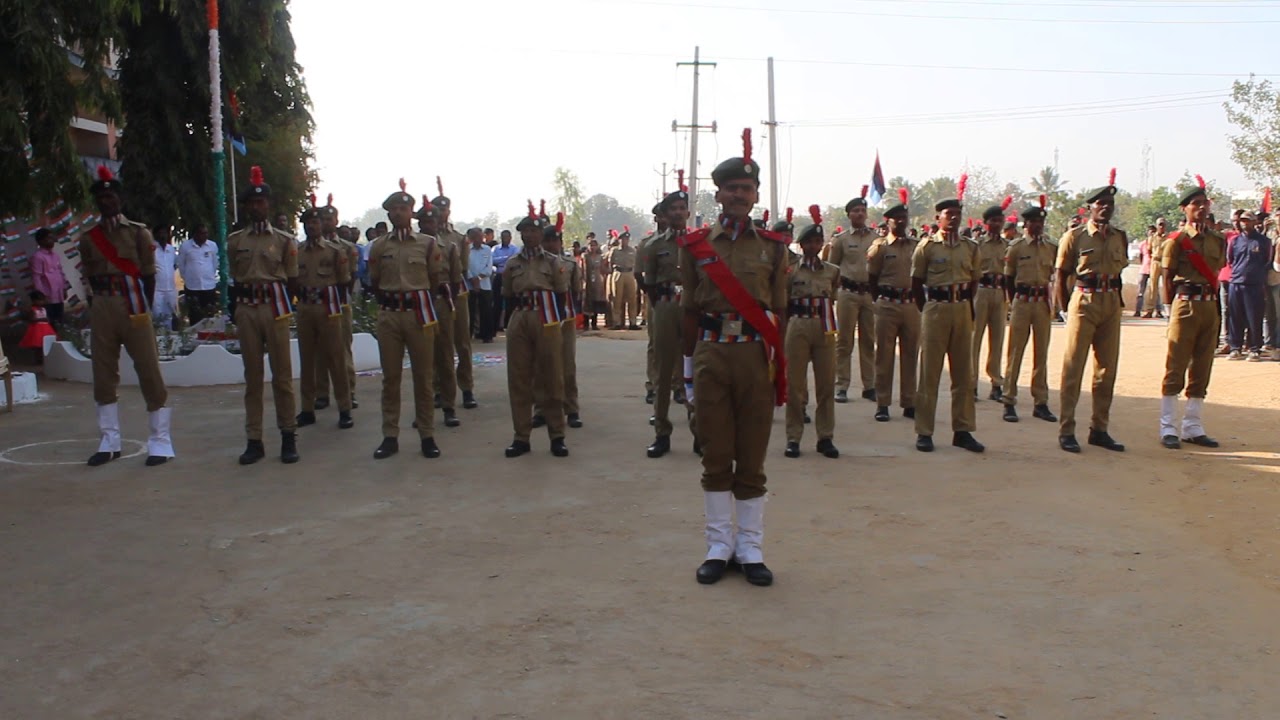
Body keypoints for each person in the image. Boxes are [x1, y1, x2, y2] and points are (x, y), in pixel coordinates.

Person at [680, 129, 788, 587]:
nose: (739, 195)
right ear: (718, 193)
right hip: (711, 356)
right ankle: (718, 545)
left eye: (746, 189)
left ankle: (751, 547)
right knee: (716, 452)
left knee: (753, 454)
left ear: (756, 194)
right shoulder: (697, 246)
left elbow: (779, 310)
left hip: (753, 357)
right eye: (731, 188)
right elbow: (688, 310)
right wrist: (687, 374)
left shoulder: (774, 247)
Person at [77, 166, 174, 467]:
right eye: (102, 197)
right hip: (104, 304)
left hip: (133, 303)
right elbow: (89, 276)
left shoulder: (138, 232)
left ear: (120, 198)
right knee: (103, 373)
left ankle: (160, 441)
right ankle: (109, 441)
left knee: (148, 369)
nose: (107, 201)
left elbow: (148, 274)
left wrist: (144, 306)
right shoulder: (89, 238)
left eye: (111, 195)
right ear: (97, 202)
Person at [367, 180, 447, 460]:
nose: (399, 213)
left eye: (404, 208)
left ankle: (427, 434)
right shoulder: (378, 246)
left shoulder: (427, 244)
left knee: (423, 377)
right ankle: (390, 436)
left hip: (418, 314)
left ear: (412, 213)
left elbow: (434, 280)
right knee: (391, 378)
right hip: (390, 315)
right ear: (388, 215)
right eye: (394, 209)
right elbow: (375, 282)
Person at [226, 167, 299, 465]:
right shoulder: (235, 241)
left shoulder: (284, 241)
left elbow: (292, 280)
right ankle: (254, 440)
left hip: (275, 309)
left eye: (261, 202)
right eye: (252, 203)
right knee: (252, 378)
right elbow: (234, 276)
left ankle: (288, 436)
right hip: (247, 309)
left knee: (282, 377)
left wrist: (285, 307)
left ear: (268, 204)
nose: (257, 207)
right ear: (246, 207)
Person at [1055, 169, 1127, 454]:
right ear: (1090, 208)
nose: (1105, 208)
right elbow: (1061, 275)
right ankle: (1066, 429)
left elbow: (1120, 273)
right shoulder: (1075, 237)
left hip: (1111, 302)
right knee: (1074, 367)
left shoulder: (1119, 236)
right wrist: (1062, 310)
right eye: (1100, 204)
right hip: (1084, 302)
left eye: (1109, 205)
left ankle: (1100, 429)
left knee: (1106, 370)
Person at [910, 177, 984, 454]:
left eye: (957, 214)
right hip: (936, 309)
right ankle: (924, 431)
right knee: (929, 372)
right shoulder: (927, 247)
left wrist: (966, 304)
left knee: (964, 373)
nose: (953, 219)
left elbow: (975, 279)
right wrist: (928, 309)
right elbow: (916, 284)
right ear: (937, 218)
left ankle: (963, 430)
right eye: (948, 215)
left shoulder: (971, 247)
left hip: (962, 308)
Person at [1159, 179, 1227, 449]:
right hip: (1185, 304)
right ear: (1184, 209)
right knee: (1176, 365)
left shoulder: (1218, 240)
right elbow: (1166, 277)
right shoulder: (1175, 242)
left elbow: (1217, 273)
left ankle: (1193, 425)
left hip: (1209, 305)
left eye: (1204, 203)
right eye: (1195, 204)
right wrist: (1167, 309)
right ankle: (1168, 427)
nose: (1201, 208)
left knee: (1203, 364)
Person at [502, 202, 570, 458]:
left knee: (552, 375)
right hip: (520, 316)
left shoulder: (554, 262)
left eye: (534, 231)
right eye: (525, 231)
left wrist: (557, 323)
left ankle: (557, 436)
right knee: (519, 378)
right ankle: (521, 437)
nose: (529, 235)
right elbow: (507, 295)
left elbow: (562, 295)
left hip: (546, 316)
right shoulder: (512, 264)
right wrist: (510, 323)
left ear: (542, 234)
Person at [783, 206, 840, 460]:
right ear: (802, 244)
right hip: (798, 324)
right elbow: (782, 301)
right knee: (795, 384)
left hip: (824, 326)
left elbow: (834, 294)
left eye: (818, 241)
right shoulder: (791, 270)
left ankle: (825, 437)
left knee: (826, 383)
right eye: (809, 242)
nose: (814, 246)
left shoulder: (831, 270)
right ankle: (793, 437)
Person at [293, 196, 354, 431]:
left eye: (316, 223)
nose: (312, 226)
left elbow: (344, 281)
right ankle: (307, 408)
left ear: (323, 225)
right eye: (308, 223)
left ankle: (345, 408)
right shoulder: (296, 252)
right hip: (306, 307)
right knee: (307, 360)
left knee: (336, 359)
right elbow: (293, 280)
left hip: (329, 307)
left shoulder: (335, 251)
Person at [999, 196, 1058, 423]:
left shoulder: (1050, 247)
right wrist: (1013, 303)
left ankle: (1040, 402)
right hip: (1022, 301)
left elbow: (1054, 274)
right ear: (1026, 224)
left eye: (1041, 222)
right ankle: (1009, 400)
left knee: (1041, 354)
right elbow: (1008, 278)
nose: (1038, 226)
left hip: (1042, 302)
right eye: (1034, 222)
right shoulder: (1016, 248)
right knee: (1015, 353)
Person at [645, 177, 691, 458]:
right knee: (663, 371)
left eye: (681, 207)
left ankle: (698, 429)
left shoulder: (699, 242)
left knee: (692, 369)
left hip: (691, 309)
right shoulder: (654, 246)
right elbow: (649, 284)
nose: (677, 212)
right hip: (664, 306)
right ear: (665, 213)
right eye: (672, 208)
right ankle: (662, 432)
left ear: (687, 211)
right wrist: (662, 307)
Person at [866, 189, 920, 422]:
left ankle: (909, 402)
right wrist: (879, 300)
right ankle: (883, 403)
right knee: (884, 355)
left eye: (904, 218)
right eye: (896, 218)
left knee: (910, 354)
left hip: (910, 305)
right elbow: (872, 278)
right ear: (887, 222)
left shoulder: (917, 245)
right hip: (887, 304)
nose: (901, 221)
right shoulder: (880, 247)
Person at [532, 216, 583, 430]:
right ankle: (542, 410)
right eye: (547, 240)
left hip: (565, 318)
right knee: (541, 364)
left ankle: (571, 409)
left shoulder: (570, 264)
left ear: (561, 242)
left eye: (555, 240)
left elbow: (577, 290)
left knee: (567, 364)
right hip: (543, 318)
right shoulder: (535, 264)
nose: (551, 244)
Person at [416, 199, 463, 428]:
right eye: (423, 221)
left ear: (438, 222)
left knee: (445, 355)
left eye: (431, 220)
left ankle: (449, 407)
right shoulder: (411, 246)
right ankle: (423, 411)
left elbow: (456, 280)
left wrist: (447, 303)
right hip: (417, 303)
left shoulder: (450, 247)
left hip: (441, 303)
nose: (427, 224)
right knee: (422, 359)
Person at [830, 187, 878, 404]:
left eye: (862, 210)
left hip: (869, 294)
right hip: (847, 294)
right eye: (855, 210)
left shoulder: (877, 239)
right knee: (844, 341)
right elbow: (832, 268)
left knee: (868, 340)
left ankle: (869, 386)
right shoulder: (840, 240)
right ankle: (841, 385)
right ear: (848, 215)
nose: (859, 213)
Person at [433, 180, 477, 411]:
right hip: (434, 295)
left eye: (444, 209)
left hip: (456, 294)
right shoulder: (424, 237)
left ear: (449, 211)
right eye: (437, 209)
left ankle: (467, 388)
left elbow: (462, 267)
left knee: (462, 342)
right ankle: (439, 389)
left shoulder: (459, 239)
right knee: (438, 344)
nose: (441, 213)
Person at [972, 198, 1012, 401]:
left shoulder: (1008, 246)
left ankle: (996, 382)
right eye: (993, 221)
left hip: (999, 292)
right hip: (981, 290)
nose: (997, 224)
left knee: (997, 340)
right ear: (986, 223)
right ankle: (971, 383)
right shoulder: (977, 245)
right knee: (974, 339)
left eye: (1000, 220)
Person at [1226, 210, 1271, 361]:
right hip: (1236, 283)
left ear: (1254, 222)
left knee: (1254, 317)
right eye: (1243, 220)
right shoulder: (1235, 241)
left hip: (1254, 284)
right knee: (1235, 317)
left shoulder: (1263, 241)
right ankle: (1235, 347)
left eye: (1248, 220)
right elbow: (1230, 259)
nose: (1245, 223)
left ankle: (1254, 348)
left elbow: (1267, 261)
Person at [177, 223, 220, 325]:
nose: (204, 236)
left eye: (206, 233)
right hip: (192, 287)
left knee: (210, 315)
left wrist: (208, 275)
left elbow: (215, 263)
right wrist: (187, 278)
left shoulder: (212, 246)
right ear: (195, 234)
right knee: (195, 315)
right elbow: (181, 265)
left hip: (209, 286)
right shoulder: (185, 246)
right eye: (202, 233)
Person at [30, 228, 66, 327]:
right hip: (47, 297)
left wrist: (64, 288)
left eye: (52, 237)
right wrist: (41, 296)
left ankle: (60, 340)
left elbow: (60, 272)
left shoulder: (56, 255)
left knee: (60, 321)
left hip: (58, 294)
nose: (52, 240)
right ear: (41, 241)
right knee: (50, 323)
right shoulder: (37, 257)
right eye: (49, 238)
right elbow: (36, 277)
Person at [466, 227, 495, 342]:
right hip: (470, 284)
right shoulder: (467, 249)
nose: (479, 239)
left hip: (485, 284)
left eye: (480, 236)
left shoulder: (487, 249)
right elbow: (465, 266)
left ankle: (486, 335)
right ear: (471, 238)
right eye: (476, 237)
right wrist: (472, 279)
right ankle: (468, 334)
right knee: (470, 310)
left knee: (486, 310)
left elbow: (489, 267)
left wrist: (479, 278)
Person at [608, 228, 638, 329]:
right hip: (618, 273)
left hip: (629, 273)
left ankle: (632, 322)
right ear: (619, 240)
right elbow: (610, 263)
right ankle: (617, 322)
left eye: (627, 239)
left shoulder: (632, 250)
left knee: (632, 299)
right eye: (623, 239)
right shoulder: (614, 251)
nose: (625, 241)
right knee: (617, 298)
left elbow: (636, 263)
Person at [150, 224, 179, 330]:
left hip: (170, 289)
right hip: (157, 289)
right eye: (160, 233)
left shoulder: (171, 250)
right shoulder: (151, 249)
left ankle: (169, 339)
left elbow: (175, 265)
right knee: (157, 315)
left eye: (165, 233)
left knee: (170, 316)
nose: (163, 235)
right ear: (155, 235)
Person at [492, 229, 519, 332]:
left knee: (510, 302)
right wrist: (506, 258)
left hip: (511, 277)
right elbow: (493, 260)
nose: (505, 239)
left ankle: (508, 325)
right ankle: (495, 327)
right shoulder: (495, 249)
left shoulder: (515, 248)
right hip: (498, 276)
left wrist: (501, 260)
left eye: (507, 237)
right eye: (503, 237)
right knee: (496, 302)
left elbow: (513, 261)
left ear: (510, 238)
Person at [19, 291, 57, 360]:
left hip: (46, 329)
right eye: (39, 300)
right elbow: (31, 320)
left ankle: (46, 358)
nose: (42, 302)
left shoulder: (44, 309)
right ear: (34, 301)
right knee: (38, 346)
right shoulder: (32, 310)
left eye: (42, 300)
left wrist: (47, 320)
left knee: (47, 343)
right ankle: (38, 359)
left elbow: (47, 318)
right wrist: (42, 319)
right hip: (37, 330)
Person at [1143, 217, 1168, 318]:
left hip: (1166, 262)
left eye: (1163, 224)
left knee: (1167, 286)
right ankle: (1150, 310)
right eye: (1160, 224)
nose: (1161, 226)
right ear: (1157, 226)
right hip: (1155, 261)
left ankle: (1167, 310)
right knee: (1153, 287)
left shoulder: (1169, 237)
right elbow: (1149, 251)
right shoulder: (1152, 238)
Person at [582, 235, 606, 330]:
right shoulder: (585, 256)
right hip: (587, 281)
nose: (593, 247)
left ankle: (594, 323)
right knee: (587, 301)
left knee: (596, 301)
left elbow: (602, 268)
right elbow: (582, 269)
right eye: (591, 245)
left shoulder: (600, 257)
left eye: (594, 245)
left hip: (597, 281)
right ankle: (586, 324)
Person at [1135, 225, 1156, 317]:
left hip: (1154, 269)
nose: (1151, 233)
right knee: (1140, 291)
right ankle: (1138, 310)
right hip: (1144, 269)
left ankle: (1157, 310)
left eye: (1153, 232)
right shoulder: (1143, 244)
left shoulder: (1157, 243)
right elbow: (1141, 256)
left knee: (1154, 291)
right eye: (1150, 231)